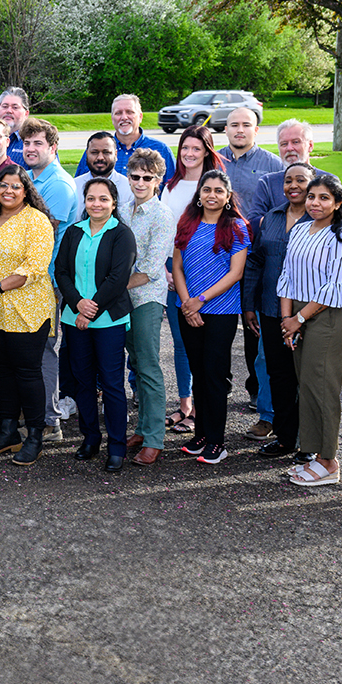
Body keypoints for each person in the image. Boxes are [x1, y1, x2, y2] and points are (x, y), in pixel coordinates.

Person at [0, 166, 56, 464]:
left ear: (26, 190)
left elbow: (35, 265)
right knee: (2, 370)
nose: (8, 191)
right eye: (3, 185)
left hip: (26, 309)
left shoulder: (37, 221)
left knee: (27, 373)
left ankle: (34, 436)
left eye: (16, 186)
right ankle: (8, 432)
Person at [277, 173, 342, 487]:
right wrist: (287, 320)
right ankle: (312, 453)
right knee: (306, 384)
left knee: (322, 386)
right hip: (297, 313)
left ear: (337, 203)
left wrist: (299, 319)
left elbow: (332, 286)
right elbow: (286, 275)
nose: (315, 203)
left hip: (328, 315)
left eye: (324, 198)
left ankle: (329, 460)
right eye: (312, 197)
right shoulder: (299, 229)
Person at [58, 176, 138, 471]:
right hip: (74, 319)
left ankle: (116, 446)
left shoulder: (122, 234)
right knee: (83, 382)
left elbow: (118, 279)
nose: (96, 204)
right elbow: (61, 271)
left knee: (113, 383)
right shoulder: (73, 232)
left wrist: (88, 310)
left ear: (114, 202)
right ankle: (90, 438)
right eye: (91, 198)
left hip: (108, 322)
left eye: (103, 199)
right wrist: (77, 303)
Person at [173, 169, 249, 465]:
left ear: (228, 197)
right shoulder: (187, 223)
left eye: (219, 190)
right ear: (199, 194)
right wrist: (186, 303)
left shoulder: (237, 227)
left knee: (215, 376)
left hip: (220, 312)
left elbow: (236, 273)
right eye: (207, 189)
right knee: (199, 375)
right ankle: (201, 433)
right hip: (188, 311)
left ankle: (217, 441)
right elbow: (177, 266)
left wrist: (200, 300)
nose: (212, 195)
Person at [241, 162, 314, 462]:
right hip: (270, 309)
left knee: (306, 378)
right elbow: (256, 261)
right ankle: (286, 438)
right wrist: (248, 305)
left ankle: (310, 443)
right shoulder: (270, 218)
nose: (293, 185)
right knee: (279, 374)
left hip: (308, 312)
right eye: (288, 181)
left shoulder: (323, 220)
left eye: (301, 180)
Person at [218, 105, 285, 431]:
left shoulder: (272, 165)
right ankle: (226, 386)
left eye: (246, 125)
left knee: (257, 330)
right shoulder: (215, 160)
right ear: (226, 129)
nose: (239, 130)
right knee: (225, 329)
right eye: (234, 125)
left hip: (257, 259)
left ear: (256, 130)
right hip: (219, 258)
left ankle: (261, 397)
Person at [161, 123, 225, 433]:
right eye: (185, 148)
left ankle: (200, 408)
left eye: (196, 148)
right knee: (180, 343)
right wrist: (167, 270)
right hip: (174, 276)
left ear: (206, 152)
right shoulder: (170, 185)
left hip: (205, 282)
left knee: (203, 347)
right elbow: (165, 232)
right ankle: (185, 403)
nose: (189, 153)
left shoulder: (212, 186)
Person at [20, 118, 76, 441]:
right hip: (25, 280)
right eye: (27, 143)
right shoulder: (28, 178)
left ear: (53, 148)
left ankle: (50, 421)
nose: (30, 149)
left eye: (38, 143)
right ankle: (32, 412)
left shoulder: (58, 185)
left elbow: (39, 234)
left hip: (47, 281)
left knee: (44, 351)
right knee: (26, 351)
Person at [122, 149, 172, 465]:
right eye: (135, 176)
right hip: (122, 301)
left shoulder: (162, 215)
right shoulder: (123, 210)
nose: (140, 182)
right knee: (137, 363)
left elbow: (152, 267)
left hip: (146, 299)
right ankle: (141, 428)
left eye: (147, 177)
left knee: (150, 366)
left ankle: (154, 438)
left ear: (158, 180)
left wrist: (111, 288)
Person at [77, 94, 174, 180]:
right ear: (112, 118)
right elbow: (79, 185)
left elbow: (171, 190)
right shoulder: (96, 152)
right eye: (118, 113)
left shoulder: (161, 150)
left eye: (129, 112)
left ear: (140, 117)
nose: (124, 117)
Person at [248, 119, 332, 218]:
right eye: (284, 144)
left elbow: (340, 221)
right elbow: (254, 221)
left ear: (310, 145)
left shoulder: (328, 180)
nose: (289, 148)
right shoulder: (268, 183)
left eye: (296, 142)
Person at [72, 132, 134, 220]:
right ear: (86, 154)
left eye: (106, 152)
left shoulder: (129, 188)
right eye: (94, 152)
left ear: (115, 154)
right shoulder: (74, 186)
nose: (100, 157)